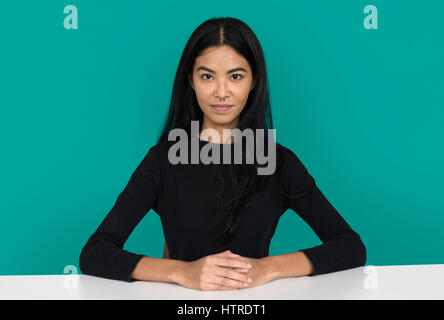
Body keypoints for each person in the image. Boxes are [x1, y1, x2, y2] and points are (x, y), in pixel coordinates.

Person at [79, 17, 366, 291]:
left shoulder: (278, 162)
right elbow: (95, 253)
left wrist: (267, 268)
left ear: (253, 81)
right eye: (207, 76)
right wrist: (183, 272)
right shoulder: (163, 159)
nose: (221, 92)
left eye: (235, 76)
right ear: (191, 80)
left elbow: (350, 246)